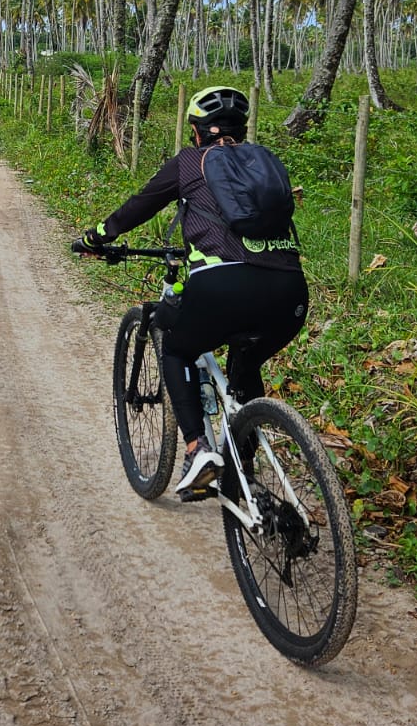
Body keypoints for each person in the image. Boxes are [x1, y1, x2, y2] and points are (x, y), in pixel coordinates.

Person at [76, 87, 308, 500]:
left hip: (222, 285)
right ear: (242, 129)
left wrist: (97, 236)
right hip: (289, 290)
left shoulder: (189, 161)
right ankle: (244, 464)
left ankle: (198, 448)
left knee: (177, 348)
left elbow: (139, 206)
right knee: (245, 359)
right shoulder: (265, 163)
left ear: (197, 132)